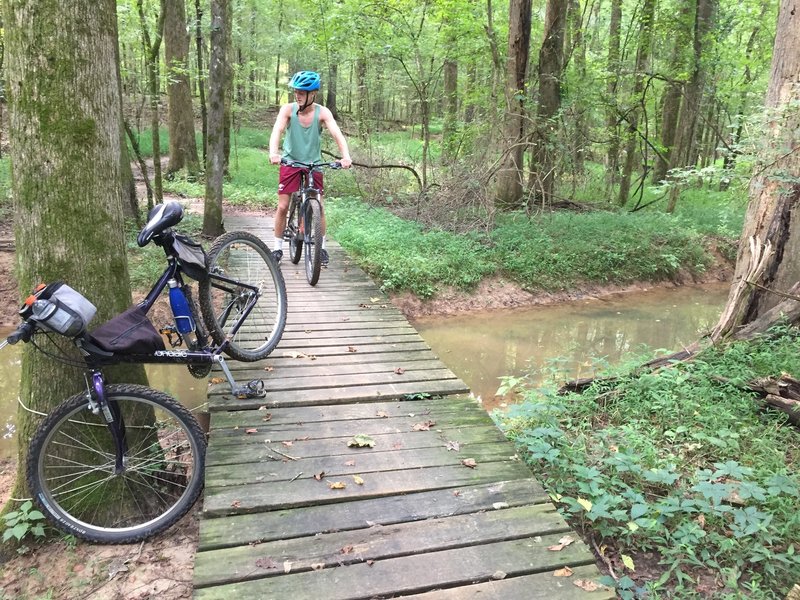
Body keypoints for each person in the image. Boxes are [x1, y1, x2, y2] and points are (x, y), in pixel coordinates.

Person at [268, 70, 352, 266]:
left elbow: (337, 135)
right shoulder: (288, 110)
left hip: (314, 163)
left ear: (312, 94)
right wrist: (274, 152)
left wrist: (346, 156)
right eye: (296, 92)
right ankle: (277, 248)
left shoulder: (323, 113)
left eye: (302, 92)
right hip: (290, 162)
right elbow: (277, 131)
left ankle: (321, 248)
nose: (297, 95)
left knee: (319, 206)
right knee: (282, 206)